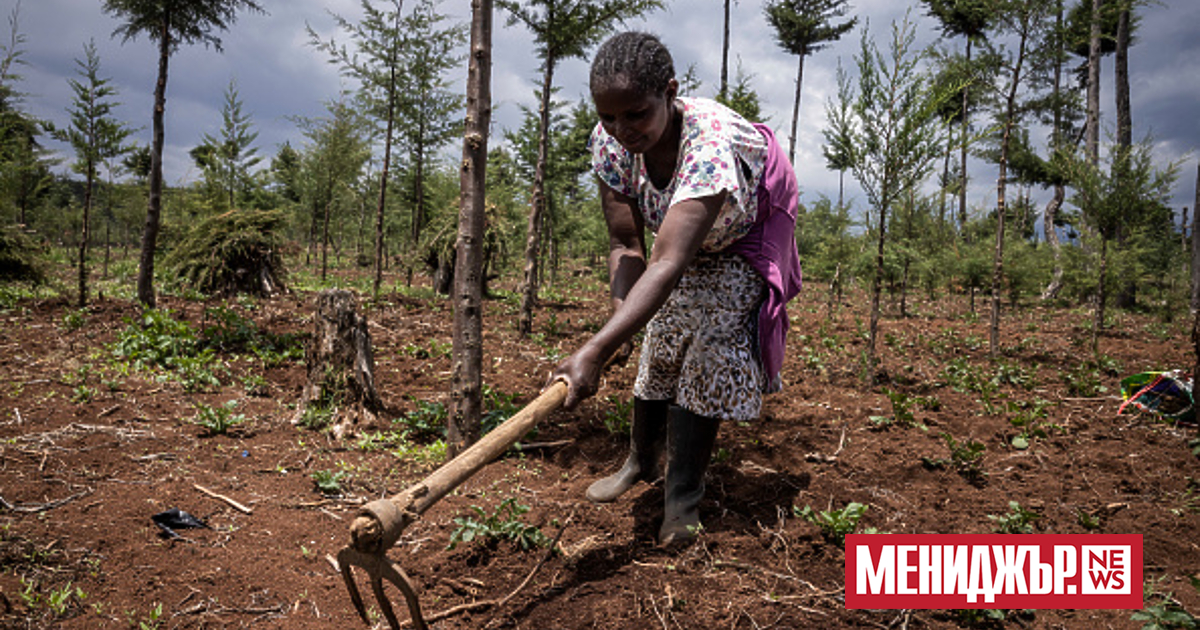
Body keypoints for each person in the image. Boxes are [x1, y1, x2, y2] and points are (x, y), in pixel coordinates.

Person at [549, 31, 803, 545]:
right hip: (678, 241)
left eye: (636, 114)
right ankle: (640, 462)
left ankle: (682, 498)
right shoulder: (611, 143)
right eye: (608, 117)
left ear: (670, 91)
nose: (621, 130)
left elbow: (668, 261)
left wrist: (596, 349)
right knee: (660, 342)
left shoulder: (710, 144)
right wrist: (619, 325)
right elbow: (626, 244)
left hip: (741, 235)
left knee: (709, 348)